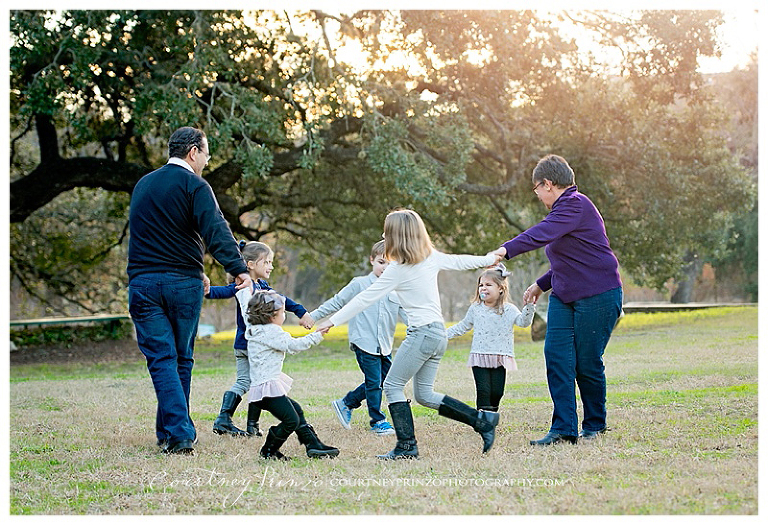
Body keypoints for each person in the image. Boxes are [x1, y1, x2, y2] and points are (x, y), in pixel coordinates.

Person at [316, 209, 504, 459]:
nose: (384, 235)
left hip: (422, 335)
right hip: (437, 335)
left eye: (387, 232)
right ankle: (481, 422)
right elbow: (460, 261)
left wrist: (333, 321)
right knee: (424, 395)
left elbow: (364, 298)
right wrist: (489, 257)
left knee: (392, 385)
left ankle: (406, 446)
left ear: (396, 236)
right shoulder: (430, 258)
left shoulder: (398, 270)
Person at [127, 126, 252, 455]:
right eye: (207, 154)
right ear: (193, 152)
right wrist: (238, 268)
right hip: (182, 285)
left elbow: (155, 234)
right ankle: (181, 433)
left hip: (144, 284)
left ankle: (168, 432)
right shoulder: (194, 184)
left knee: (162, 358)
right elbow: (214, 228)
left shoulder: (143, 185)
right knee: (179, 358)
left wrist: (197, 269)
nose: (207, 162)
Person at [493, 154, 623, 446]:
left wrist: (505, 250)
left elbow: (541, 234)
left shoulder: (575, 205)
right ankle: (564, 428)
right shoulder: (563, 213)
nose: (537, 195)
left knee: (586, 363)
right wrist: (541, 284)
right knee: (557, 357)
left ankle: (594, 425)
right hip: (566, 296)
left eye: (537, 188)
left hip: (599, 295)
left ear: (548, 184)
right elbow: (570, 260)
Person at [205, 241, 314, 438]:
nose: (271, 266)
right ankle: (225, 419)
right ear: (250, 264)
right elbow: (220, 291)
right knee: (249, 381)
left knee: (255, 382)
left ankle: (249, 425)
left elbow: (282, 300)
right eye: (267, 262)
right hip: (249, 345)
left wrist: (301, 311)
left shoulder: (263, 286)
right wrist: (205, 289)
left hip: (253, 345)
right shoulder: (243, 286)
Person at [310, 240, 408, 436]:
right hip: (364, 341)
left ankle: (346, 403)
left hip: (384, 345)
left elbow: (408, 315)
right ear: (371, 260)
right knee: (374, 382)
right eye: (381, 262)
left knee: (385, 380)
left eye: (391, 264)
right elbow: (337, 302)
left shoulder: (397, 290)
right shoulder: (360, 284)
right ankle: (377, 421)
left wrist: (426, 328)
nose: (385, 268)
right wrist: (312, 316)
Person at [238, 289, 339, 460]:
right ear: (272, 315)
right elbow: (294, 345)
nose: (284, 315)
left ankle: (312, 444)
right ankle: (269, 451)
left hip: (263, 387)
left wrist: (244, 292)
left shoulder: (255, 328)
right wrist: (317, 335)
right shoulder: (271, 332)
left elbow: (244, 305)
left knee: (296, 410)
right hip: (267, 389)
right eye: (282, 312)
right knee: (290, 420)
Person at [446, 264, 536, 413]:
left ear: (501, 288)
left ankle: (490, 416)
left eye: (488, 284)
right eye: (481, 285)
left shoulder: (508, 309)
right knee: (484, 391)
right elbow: (463, 326)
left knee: (497, 393)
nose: (483, 288)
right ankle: (483, 422)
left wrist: (529, 307)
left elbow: (523, 323)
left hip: (500, 357)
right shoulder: (476, 308)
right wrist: (443, 334)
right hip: (480, 356)